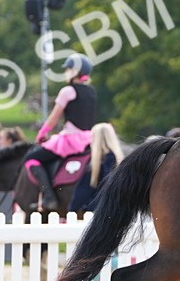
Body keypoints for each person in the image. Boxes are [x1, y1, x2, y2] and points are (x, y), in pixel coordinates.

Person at [25, 53, 98, 209]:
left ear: (74, 71)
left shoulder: (68, 91)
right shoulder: (91, 91)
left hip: (71, 140)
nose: (66, 72)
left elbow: (54, 118)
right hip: (89, 138)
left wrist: (42, 134)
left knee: (31, 158)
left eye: (68, 69)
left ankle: (49, 197)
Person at [69, 123, 126, 213]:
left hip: (98, 211)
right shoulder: (116, 159)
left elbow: (83, 190)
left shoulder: (99, 161)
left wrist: (72, 209)